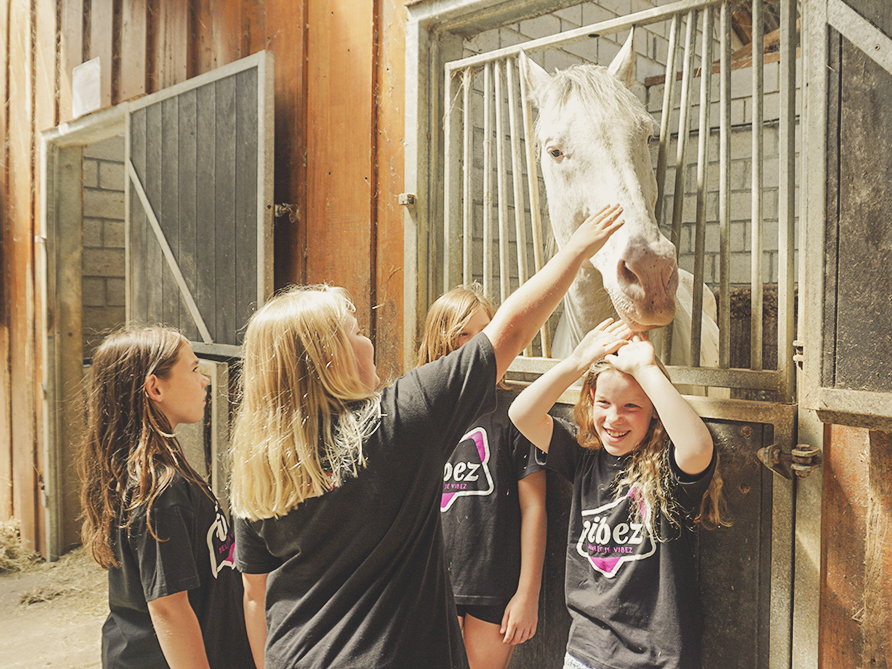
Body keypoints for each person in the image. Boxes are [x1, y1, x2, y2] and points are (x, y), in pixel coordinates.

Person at [230, 205, 626, 669]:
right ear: (331, 359)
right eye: (356, 332)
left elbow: (254, 592)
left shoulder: (260, 465)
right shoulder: (395, 421)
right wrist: (576, 250)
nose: (369, 340)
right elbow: (511, 331)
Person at [508, 321, 727, 669]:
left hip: (658, 657)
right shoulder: (583, 457)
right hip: (586, 652)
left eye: (631, 407)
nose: (613, 418)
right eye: (605, 403)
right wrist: (579, 360)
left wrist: (647, 370)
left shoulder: (667, 469)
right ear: (591, 401)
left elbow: (699, 449)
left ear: (654, 409)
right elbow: (521, 414)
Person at [78, 326, 255, 669]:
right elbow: (169, 608)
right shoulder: (159, 489)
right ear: (154, 387)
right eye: (193, 369)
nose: (205, 380)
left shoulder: (160, 468)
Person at [418, 285, 546, 669]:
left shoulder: (518, 412)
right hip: (430, 583)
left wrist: (528, 593)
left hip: (494, 587)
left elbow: (535, 507)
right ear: (441, 341)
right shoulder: (419, 409)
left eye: (485, 332)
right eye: (463, 333)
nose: (477, 345)